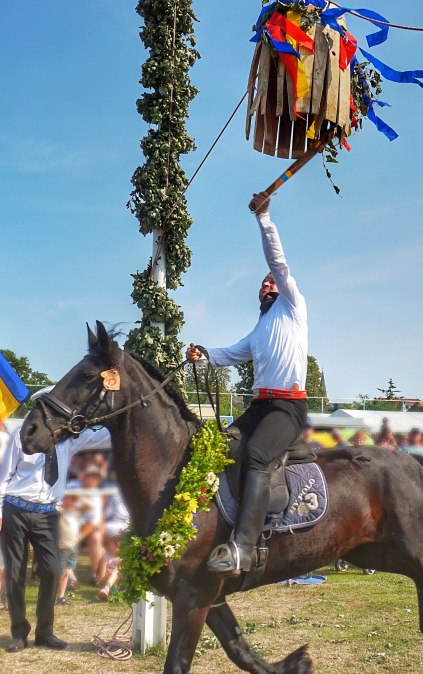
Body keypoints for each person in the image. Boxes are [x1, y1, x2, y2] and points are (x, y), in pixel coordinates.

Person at [186, 190, 309, 577]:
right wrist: (203, 354)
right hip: (260, 406)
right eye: (263, 283)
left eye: (272, 282)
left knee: (255, 453)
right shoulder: (260, 330)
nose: (268, 284)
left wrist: (264, 219)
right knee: (221, 446)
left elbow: (279, 261)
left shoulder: (293, 306)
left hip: (288, 406)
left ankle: (245, 547)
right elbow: (230, 353)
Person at [0, 417, 111, 653]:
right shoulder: (21, 434)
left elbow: (104, 437)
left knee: (53, 570)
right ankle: (19, 632)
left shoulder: (67, 438)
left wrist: (123, 419)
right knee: (15, 573)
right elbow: (4, 474)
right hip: (15, 508)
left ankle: (45, 632)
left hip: (47, 513)